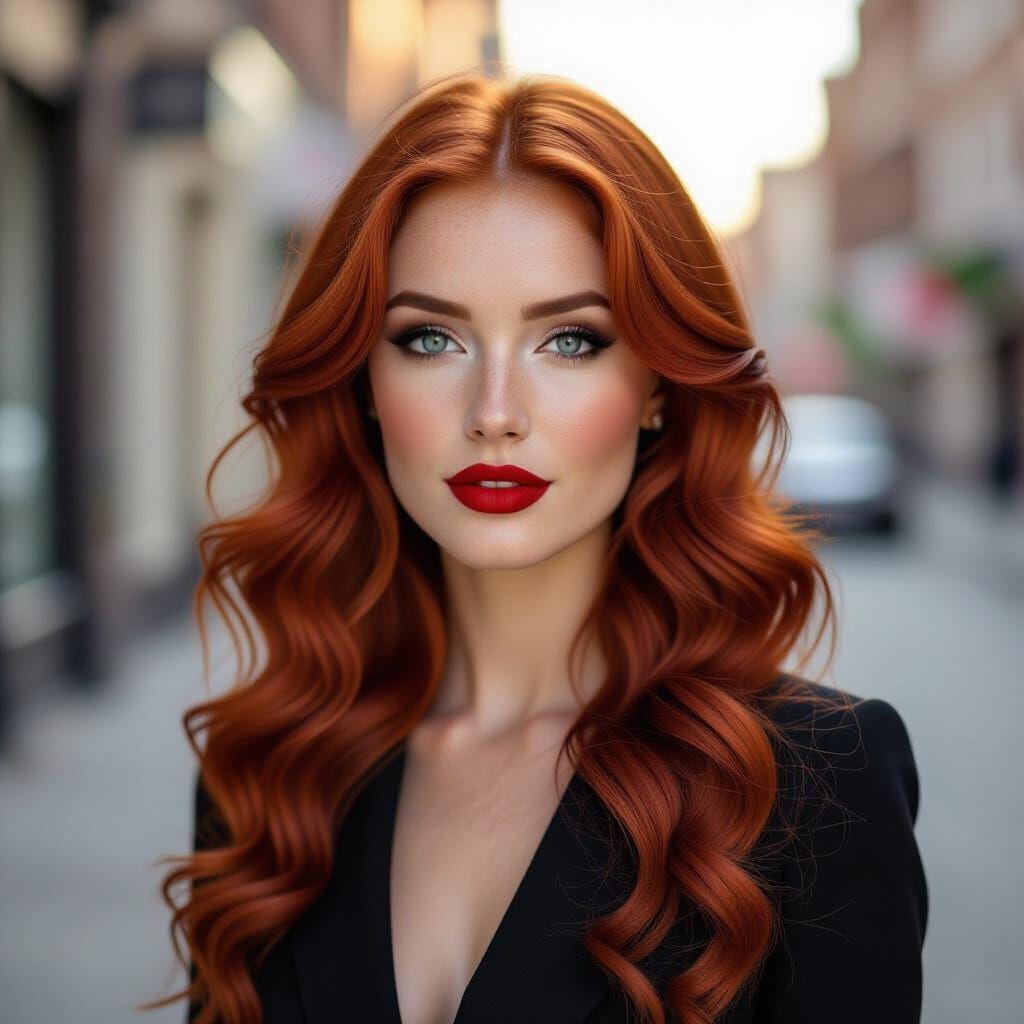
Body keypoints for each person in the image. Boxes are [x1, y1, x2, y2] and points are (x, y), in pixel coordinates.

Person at [141, 71, 928, 1024]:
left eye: (570, 341)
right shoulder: (273, 769)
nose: (496, 414)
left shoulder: (811, 782)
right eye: (431, 339)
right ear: (360, 379)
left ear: (656, 385)